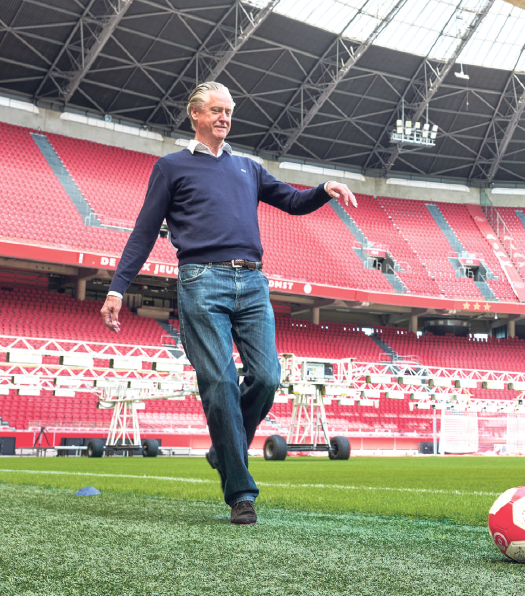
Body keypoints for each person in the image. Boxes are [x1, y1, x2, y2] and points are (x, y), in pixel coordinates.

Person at [99, 82, 357, 526]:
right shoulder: (171, 167)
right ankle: (241, 493)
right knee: (218, 381)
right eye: (216, 110)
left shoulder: (248, 168)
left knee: (268, 377)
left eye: (229, 111)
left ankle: (224, 451)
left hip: (253, 282)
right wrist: (118, 288)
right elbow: (144, 231)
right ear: (195, 115)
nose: (224, 117)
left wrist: (323, 189)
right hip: (201, 280)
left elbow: (292, 202)